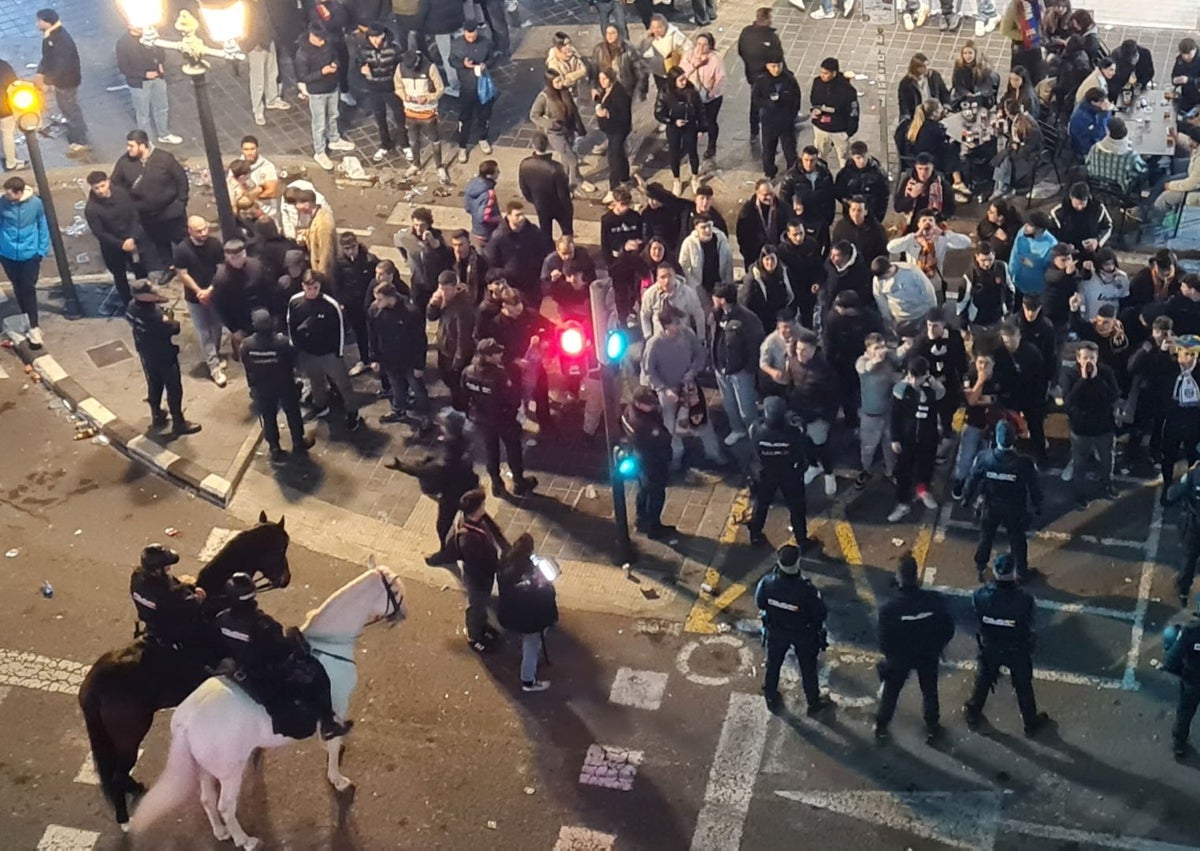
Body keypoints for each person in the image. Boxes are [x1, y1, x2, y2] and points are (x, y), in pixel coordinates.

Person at [216, 572, 352, 740]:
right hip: (267, 673)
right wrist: (294, 639)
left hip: (241, 669)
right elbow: (281, 649)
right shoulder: (262, 624)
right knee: (316, 674)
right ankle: (328, 723)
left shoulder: (222, 618)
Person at [963, 553, 1051, 737]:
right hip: (1016, 647)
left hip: (990, 645)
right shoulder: (1024, 600)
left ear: (994, 572)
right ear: (1014, 572)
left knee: (984, 679)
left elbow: (976, 616)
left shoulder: (980, 596)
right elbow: (1030, 622)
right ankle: (1030, 722)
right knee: (1023, 685)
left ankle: (973, 712)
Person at [874, 553, 955, 743]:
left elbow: (884, 642)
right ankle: (932, 726)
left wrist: (892, 657)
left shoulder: (889, 610)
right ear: (916, 575)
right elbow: (947, 628)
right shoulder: (934, 601)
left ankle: (881, 725)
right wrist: (937, 645)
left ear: (899, 576)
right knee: (929, 690)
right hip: (927, 653)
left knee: (891, 692)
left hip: (900, 658)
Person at [387, 408, 479, 564]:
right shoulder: (463, 441)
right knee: (472, 518)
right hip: (469, 485)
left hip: (452, 494)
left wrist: (401, 466)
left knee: (444, 526)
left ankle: (447, 553)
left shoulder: (448, 456)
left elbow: (427, 472)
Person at [755, 544, 832, 715]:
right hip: (803, 634)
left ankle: (770, 695)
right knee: (808, 669)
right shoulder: (807, 590)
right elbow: (820, 613)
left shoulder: (767, 584)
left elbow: (760, 603)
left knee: (773, 664)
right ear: (798, 562)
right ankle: (813, 703)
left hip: (776, 630)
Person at [963, 420, 1042, 580]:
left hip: (991, 506)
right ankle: (1021, 572)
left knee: (986, 537)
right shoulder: (1024, 462)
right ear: (1014, 439)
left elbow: (972, 480)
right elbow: (1033, 486)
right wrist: (1037, 504)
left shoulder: (984, 458)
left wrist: (966, 498)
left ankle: (980, 566)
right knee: (1017, 540)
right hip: (1014, 508)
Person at [644, 309, 722, 470]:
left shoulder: (687, 334)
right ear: (666, 326)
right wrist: (664, 390)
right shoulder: (654, 344)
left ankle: (713, 453)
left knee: (701, 419)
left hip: (689, 387)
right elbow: (649, 371)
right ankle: (676, 457)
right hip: (668, 392)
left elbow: (700, 354)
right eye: (676, 323)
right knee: (670, 426)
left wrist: (692, 372)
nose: (680, 325)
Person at [286, 270, 363, 430]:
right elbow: (290, 325)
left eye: (315, 288)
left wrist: (339, 352)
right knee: (316, 382)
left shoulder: (330, 305)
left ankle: (352, 411)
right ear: (303, 286)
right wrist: (296, 347)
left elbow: (341, 329)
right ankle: (320, 406)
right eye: (309, 288)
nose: (312, 292)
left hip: (330, 353)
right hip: (308, 353)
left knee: (343, 384)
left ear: (320, 286)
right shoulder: (295, 302)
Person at [125, 279, 202, 436]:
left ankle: (157, 414)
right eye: (151, 292)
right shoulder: (155, 315)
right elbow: (173, 329)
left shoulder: (131, 307)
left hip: (145, 352)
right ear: (143, 296)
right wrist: (170, 320)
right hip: (163, 354)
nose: (155, 292)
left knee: (154, 383)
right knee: (173, 388)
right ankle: (178, 423)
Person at [463, 338, 538, 496]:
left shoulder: (468, 371)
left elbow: (463, 394)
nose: (500, 354)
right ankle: (519, 482)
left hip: (482, 419)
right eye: (496, 352)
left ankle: (496, 484)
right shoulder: (499, 375)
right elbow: (512, 398)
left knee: (491, 450)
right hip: (503, 418)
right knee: (513, 449)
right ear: (488, 356)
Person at [240, 308, 312, 464]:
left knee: (268, 417)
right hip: (284, 384)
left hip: (262, 387)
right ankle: (298, 442)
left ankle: (274, 448)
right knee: (293, 413)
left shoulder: (247, 345)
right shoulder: (282, 342)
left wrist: (252, 386)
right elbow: (293, 361)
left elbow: (247, 367)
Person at [110, 130, 188, 272]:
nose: (128, 149)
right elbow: (116, 186)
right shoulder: (124, 163)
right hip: (147, 216)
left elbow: (181, 179)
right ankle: (169, 268)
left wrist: (181, 202)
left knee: (183, 241)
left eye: (131, 145)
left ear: (142, 145)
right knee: (160, 244)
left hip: (171, 211)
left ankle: (191, 267)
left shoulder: (164, 158)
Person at [747, 395, 818, 549]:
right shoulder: (793, 434)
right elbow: (803, 440)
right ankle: (802, 540)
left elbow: (753, 447)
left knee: (761, 505)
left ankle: (755, 535)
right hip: (789, 474)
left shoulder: (756, 430)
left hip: (766, 473)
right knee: (796, 508)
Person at [496, 533, 558, 693]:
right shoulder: (530, 576)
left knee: (527, 641)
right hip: (528, 620)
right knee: (531, 645)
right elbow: (544, 595)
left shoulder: (505, 562)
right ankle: (528, 681)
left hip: (508, 612)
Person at [448, 488, 508, 651]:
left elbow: (493, 530)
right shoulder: (468, 538)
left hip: (484, 575)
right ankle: (474, 636)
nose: (484, 507)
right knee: (476, 604)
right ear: (475, 510)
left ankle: (482, 625)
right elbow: (477, 563)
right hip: (477, 577)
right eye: (482, 505)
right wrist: (493, 572)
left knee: (481, 604)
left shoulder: (474, 520)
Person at [1063, 340, 1120, 509]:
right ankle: (1079, 494)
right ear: (1078, 359)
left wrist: (1096, 380)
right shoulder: (1069, 374)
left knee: (1107, 460)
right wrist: (1084, 380)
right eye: (1085, 357)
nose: (1089, 361)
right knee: (1079, 464)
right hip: (1081, 430)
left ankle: (1107, 485)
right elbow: (1069, 401)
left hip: (1104, 428)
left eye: (1092, 357)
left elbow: (1113, 396)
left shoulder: (1106, 372)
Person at [888, 356, 944, 522]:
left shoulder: (933, 389)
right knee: (903, 471)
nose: (913, 381)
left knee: (926, 466)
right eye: (911, 376)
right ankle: (902, 502)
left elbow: (942, 396)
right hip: (906, 438)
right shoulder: (901, 390)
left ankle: (922, 491)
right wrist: (895, 438)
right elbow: (894, 417)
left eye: (917, 377)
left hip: (928, 438)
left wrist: (932, 384)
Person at [129, 543, 209, 656]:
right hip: (170, 628)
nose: (169, 568)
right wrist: (198, 598)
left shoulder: (137, 578)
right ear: (157, 570)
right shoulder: (168, 593)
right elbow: (191, 606)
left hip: (150, 621)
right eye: (165, 566)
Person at [710, 283, 764, 445]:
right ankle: (737, 429)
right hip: (721, 368)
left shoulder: (747, 318)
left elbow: (755, 344)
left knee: (746, 408)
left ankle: (755, 435)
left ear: (722, 300)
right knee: (729, 403)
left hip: (740, 371)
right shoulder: (717, 315)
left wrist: (749, 368)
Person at [367, 280, 428, 425]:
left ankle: (425, 415)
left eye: (380, 299)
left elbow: (420, 340)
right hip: (389, 359)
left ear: (390, 297)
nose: (376, 302)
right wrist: (374, 357)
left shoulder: (410, 312)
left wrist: (419, 365)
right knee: (396, 387)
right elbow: (372, 335)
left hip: (409, 360)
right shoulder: (374, 311)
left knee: (417, 389)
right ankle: (399, 410)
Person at [0, 176, 49, 349]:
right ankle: (25, 318)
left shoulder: (35, 203)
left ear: (19, 193)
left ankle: (34, 326)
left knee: (28, 288)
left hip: (30, 254)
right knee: (18, 287)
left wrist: (41, 250)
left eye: (9, 194)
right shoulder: (2, 203)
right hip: (7, 254)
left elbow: (42, 225)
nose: (6, 197)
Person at [296, 24, 354, 171]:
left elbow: (336, 56)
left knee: (333, 115)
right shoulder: (303, 54)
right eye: (320, 39)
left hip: (332, 87)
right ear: (312, 36)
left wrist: (335, 63)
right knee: (319, 124)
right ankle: (319, 151)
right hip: (317, 93)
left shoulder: (328, 43)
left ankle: (334, 139)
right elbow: (303, 77)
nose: (323, 42)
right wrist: (322, 72)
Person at [34, 9, 89, 156]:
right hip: (64, 80)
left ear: (47, 22)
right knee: (68, 108)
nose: (37, 23)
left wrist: (48, 82)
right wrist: (41, 72)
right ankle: (79, 134)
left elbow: (60, 65)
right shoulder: (52, 35)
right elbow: (48, 58)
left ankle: (80, 140)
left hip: (67, 82)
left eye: (39, 21)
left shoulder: (59, 40)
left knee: (70, 109)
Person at [622, 387, 675, 538]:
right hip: (652, 460)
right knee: (656, 492)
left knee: (643, 489)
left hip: (639, 457)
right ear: (638, 403)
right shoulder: (643, 423)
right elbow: (663, 438)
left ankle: (641, 519)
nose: (654, 406)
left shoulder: (628, 411)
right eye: (649, 404)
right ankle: (654, 527)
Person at [116, 23, 180, 145]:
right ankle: (147, 140)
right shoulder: (123, 43)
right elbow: (124, 68)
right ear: (130, 26)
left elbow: (160, 50)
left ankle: (164, 134)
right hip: (139, 84)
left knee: (162, 107)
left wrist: (160, 63)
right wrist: (144, 75)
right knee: (143, 114)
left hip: (157, 78)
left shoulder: (150, 35)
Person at [529, 71, 592, 193]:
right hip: (554, 134)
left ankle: (566, 182)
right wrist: (551, 124)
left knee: (566, 159)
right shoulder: (544, 97)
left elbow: (573, 110)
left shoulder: (564, 91)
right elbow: (534, 115)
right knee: (573, 159)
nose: (560, 83)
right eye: (557, 81)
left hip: (568, 129)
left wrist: (579, 127)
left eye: (561, 80)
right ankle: (574, 184)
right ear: (549, 83)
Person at [886, 210, 973, 299]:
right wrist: (914, 236)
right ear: (918, 225)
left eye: (931, 220)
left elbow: (966, 242)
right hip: (914, 283)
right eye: (924, 221)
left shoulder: (941, 239)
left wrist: (944, 233)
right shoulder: (911, 240)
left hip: (934, 284)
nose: (927, 223)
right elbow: (891, 248)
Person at [395, 48, 449, 185]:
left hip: (428, 112)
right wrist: (404, 96)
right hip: (410, 112)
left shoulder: (430, 68)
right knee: (413, 140)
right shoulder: (400, 68)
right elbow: (398, 87)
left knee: (434, 140)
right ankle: (416, 164)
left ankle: (439, 166)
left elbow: (440, 89)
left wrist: (427, 98)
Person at [353, 23, 403, 163]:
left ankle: (404, 143)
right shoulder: (363, 50)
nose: (375, 40)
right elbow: (358, 65)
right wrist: (361, 70)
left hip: (391, 87)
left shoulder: (393, 48)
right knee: (380, 118)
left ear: (383, 35)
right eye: (372, 37)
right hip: (374, 87)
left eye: (377, 37)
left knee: (399, 115)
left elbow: (401, 66)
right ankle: (385, 144)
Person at [856, 333, 900, 487]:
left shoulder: (889, 360)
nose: (881, 351)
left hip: (888, 413)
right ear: (868, 349)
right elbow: (864, 369)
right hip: (870, 416)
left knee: (889, 447)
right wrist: (875, 360)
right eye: (876, 348)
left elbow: (900, 365)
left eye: (882, 347)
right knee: (867, 448)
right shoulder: (862, 362)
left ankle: (890, 471)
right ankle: (866, 470)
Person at [449, 22, 496, 164]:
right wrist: (463, 64)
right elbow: (451, 61)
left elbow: (493, 58)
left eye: (473, 36)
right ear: (464, 33)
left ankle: (483, 138)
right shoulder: (457, 44)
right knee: (465, 117)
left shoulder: (485, 42)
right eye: (468, 37)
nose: (471, 39)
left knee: (484, 114)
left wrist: (485, 65)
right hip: (467, 87)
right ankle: (462, 145)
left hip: (483, 86)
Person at [655, 67, 706, 196]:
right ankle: (676, 180)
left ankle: (694, 178)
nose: (684, 82)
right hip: (674, 127)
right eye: (681, 80)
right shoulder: (665, 92)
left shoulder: (691, 90)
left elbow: (700, 109)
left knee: (692, 151)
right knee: (674, 153)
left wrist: (701, 128)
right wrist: (672, 121)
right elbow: (658, 112)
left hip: (690, 125)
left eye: (685, 78)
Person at [486, 201, 548, 308]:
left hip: (531, 284)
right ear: (509, 216)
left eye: (523, 214)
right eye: (517, 215)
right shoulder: (499, 237)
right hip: (511, 285)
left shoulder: (533, 232)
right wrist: (505, 273)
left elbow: (542, 253)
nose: (522, 218)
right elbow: (492, 262)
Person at [736, 8, 784, 145]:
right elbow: (778, 58)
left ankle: (754, 131)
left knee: (755, 101)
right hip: (768, 77)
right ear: (767, 19)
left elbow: (740, 50)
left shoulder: (746, 32)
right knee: (774, 99)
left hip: (752, 74)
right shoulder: (771, 38)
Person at [752, 53, 801, 180]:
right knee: (768, 150)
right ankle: (769, 173)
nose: (776, 69)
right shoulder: (761, 80)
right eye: (773, 66)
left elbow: (796, 98)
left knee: (790, 150)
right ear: (767, 66)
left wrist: (792, 116)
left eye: (778, 66)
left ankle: (792, 173)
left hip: (786, 122)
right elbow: (755, 99)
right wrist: (768, 103)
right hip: (769, 122)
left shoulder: (789, 79)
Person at [518, 133, 573, 239]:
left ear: (533, 145)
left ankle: (548, 252)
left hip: (540, 205)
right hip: (559, 207)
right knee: (567, 232)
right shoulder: (556, 168)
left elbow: (524, 188)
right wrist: (569, 209)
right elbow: (563, 195)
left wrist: (534, 200)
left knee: (545, 233)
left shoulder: (525, 164)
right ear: (548, 145)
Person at [809, 57, 859, 170]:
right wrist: (815, 110)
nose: (822, 75)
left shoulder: (847, 90)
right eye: (821, 72)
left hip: (839, 130)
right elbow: (813, 99)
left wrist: (849, 132)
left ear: (834, 73)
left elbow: (853, 111)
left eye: (826, 73)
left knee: (844, 158)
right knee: (820, 156)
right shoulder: (817, 82)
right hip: (820, 127)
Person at [1164, 605, 1200, 757]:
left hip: (1192, 682)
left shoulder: (1191, 631)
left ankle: (1179, 745)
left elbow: (1173, 657)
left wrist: (1173, 669)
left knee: (1185, 713)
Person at [871, 257, 938, 333]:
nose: (882, 280)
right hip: (901, 319)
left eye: (884, 277)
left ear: (889, 271)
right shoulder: (877, 280)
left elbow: (929, 291)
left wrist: (933, 312)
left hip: (922, 314)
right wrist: (888, 319)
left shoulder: (911, 271)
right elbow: (881, 301)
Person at [593, 69, 634, 193]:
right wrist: (598, 99)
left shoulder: (620, 94)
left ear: (611, 78)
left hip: (618, 130)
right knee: (620, 153)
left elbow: (623, 115)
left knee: (613, 157)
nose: (602, 82)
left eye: (604, 79)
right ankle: (625, 178)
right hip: (611, 130)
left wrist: (607, 113)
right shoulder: (607, 90)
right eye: (600, 79)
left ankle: (614, 188)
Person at [1050, 182, 1113, 261]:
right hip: (1068, 251)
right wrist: (1064, 246)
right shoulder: (1059, 211)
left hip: (1091, 249)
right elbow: (1051, 233)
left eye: (1083, 204)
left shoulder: (1098, 208)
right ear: (1071, 198)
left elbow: (1108, 226)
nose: (1080, 207)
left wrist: (1097, 241)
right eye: (1076, 204)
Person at [958, 242, 1012, 331]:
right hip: (977, 322)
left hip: (998, 319)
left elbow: (1010, 289)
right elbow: (961, 303)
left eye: (990, 259)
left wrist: (1008, 310)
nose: (987, 264)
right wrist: (963, 327)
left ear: (994, 255)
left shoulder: (1002, 268)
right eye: (983, 260)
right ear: (976, 257)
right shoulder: (970, 276)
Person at [894, 154, 956, 230]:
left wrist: (937, 217)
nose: (923, 173)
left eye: (926, 169)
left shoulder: (942, 185)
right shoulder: (908, 183)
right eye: (920, 169)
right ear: (916, 168)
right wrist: (912, 197)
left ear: (932, 168)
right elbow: (898, 207)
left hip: (933, 225)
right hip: (911, 224)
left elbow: (950, 210)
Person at [678, 214, 732, 296]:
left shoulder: (721, 240)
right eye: (703, 227)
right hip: (698, 288)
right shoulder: (688, 243)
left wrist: (728, 286)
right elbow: (683, 267)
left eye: (709, 226)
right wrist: (696, 287)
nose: (707, 230)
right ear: (696, 228)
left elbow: (728, 264)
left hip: (719, 287)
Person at [833, 144, 889, 222]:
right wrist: (848, 201)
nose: (862, 161)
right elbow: (839, 192)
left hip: (871, 213)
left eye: (864, 157)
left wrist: (879, 217)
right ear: (853, 157)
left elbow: (884, 196)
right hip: (851, 213)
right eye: (858, 158)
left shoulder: (878, 173)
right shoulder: (845, 173)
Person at [1009, 212, 1057, 298]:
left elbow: (1049, 270)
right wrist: (1011, 274)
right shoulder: (1022, 233)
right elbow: (1014, 254)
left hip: (1036, 290)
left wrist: (1033, 264)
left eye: (1030, 225)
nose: (1026, 227)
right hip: (1018, 284)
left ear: (1039, 229)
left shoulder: (1051, 244)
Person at [897, 53, 950, 121]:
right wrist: (907, 120)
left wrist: (946, 107)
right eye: (923, 66)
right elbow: (904, 104)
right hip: (918, 116)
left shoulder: (934, 76)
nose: (926, 69)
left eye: (927, 65)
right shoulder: (906, 83)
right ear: (916, 68)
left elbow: (944, 92)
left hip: (936, 113)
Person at [464, 160, 502, 248]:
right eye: (496, 171)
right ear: (489, 175)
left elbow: (467, 207)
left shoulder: (471, 185)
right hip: (488, 233)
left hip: (476, 230)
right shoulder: (489, 194)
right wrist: (498, 219)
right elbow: (484, 217)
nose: (499, 172)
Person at [1068, 87, 1112, 158]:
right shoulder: (1083, 117)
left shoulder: (1093, 107)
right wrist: (1104, 113)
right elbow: (1099, 135)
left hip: (1094, 137)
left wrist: (1107, 112)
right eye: (1102, 101)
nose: (1105, 103)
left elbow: (1108, 123)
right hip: (1085, 149)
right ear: (1093, 102)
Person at [1171, 38, 1200, 116]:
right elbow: (1174, 74)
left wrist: (1189, 80)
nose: (1186, 57)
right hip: (1186, 96)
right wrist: (1175, 80)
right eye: (1183, 54)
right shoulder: (1180, 60)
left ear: (1194, 49)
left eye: (1189, 54)